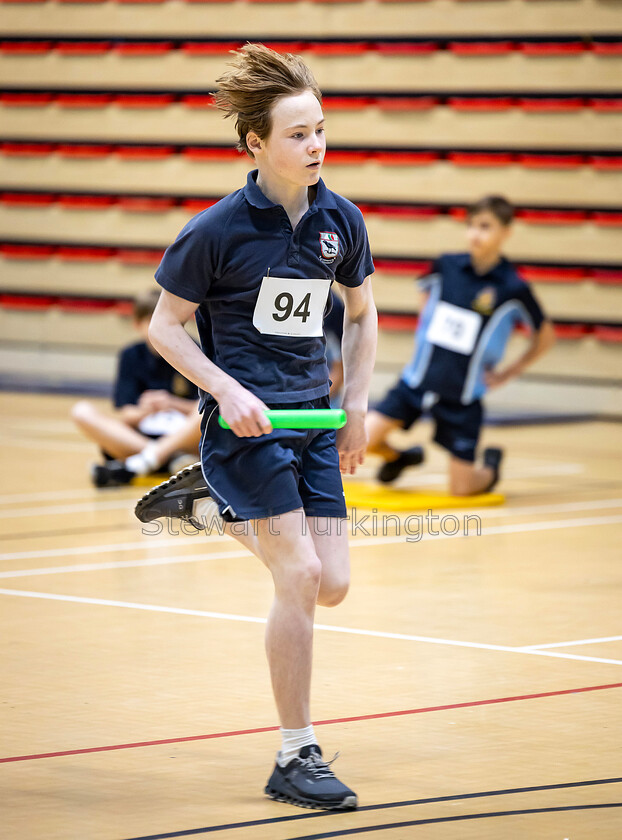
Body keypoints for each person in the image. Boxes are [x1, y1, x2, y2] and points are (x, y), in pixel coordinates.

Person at [133, 44, 377, 811]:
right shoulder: (217, 230)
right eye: (299, 134)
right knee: (298, 575)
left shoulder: (341, 220)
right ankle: (294, 754)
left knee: (331, 584)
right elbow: (163, 328)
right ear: (256, 144)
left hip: (313, 424)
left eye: (321, 129)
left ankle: (205, 503)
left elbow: (363, 315)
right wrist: (226, 389)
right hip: (247, 425)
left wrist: (360, 404)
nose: (317, 146)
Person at [366, 194, 556, 494]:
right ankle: (401, 457)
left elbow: (545, 335)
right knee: (359, 442)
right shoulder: (445, 265)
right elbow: (425, 295)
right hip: (416, 383)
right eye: (471, 225)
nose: (475, 234)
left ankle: (490, 467)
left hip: (463, 397)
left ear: (506, 232)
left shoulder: (512, 287)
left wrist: (509, 372)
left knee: (462, 489)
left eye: (485, 226)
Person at [70, 289, 199, 487]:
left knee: (210, 414)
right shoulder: (131, 355)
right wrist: (146, 410)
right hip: (141, 437)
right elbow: (127, 414)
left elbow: (205, 408)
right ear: (137, 324)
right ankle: (166, 459)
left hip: (184, 437)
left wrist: (172, 403)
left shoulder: (194, 349)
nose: (159, 328)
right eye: (152, 322)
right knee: (82, 411)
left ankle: (144, 462)